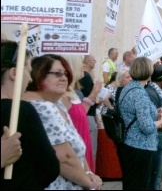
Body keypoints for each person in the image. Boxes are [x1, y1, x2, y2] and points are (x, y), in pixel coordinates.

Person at [23, 54, 103, 190]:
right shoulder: (42, 107)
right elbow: (64, 157)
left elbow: (75, 148)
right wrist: (89, 184)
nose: (64, 78)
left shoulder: (57, 104)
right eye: (57, 74)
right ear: (39, 74)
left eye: (66, 74)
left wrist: (89, 172)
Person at [1, 40, 60, 189]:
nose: (30, 79)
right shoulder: (21, 111)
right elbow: (50, 167)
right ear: (14, 73)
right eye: (28, 70)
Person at [118, 57, 162, 190]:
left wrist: (154, 112)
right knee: (139, 185)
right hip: (140, 147)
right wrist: (160, 121)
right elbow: (147, 127)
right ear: (149, 72)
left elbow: (136, 113)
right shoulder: (139, 93)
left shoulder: (129, 88)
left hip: (131, 144)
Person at [79, 54, 100, 166]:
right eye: (93, 60)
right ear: (86, 62)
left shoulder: (86, 76)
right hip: (88, 114)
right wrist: (96, 94)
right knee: (91, 147)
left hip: (89, 114)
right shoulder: (86, 77)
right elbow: (88, 97)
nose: (95, 61)